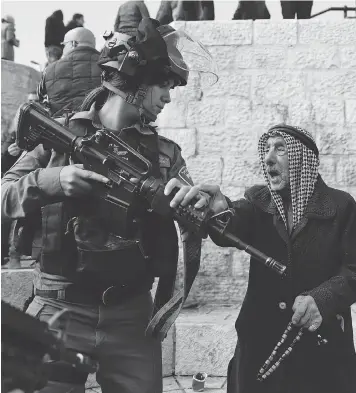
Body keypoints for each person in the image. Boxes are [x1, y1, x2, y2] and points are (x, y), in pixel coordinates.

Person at [2, 18, 216, 393]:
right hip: (59, 308)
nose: (167, 97)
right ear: (134, 83)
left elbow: (199, 208)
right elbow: (3, 195)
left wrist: (211, 203)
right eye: (162, 86)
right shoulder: (58, 137)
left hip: (130, 316)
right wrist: (53, 181)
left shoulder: (164, 155)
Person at [166, 124, 356, 393]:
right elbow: (230, 227)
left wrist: (323, 299)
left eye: (280, 149)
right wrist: (219, 210)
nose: (268, 158)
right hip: (260, 341)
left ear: (304, 159)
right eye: (266, 150)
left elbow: (353, 270)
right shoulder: (257, 202)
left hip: (320, 346)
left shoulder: (341, 206)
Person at [37, 27, 101, 117]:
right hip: (100, 126)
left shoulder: (49, 70)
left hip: (61, 127)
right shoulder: (108, 66)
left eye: (64, 45)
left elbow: (41, 100)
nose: (63, 49)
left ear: (73, 43)